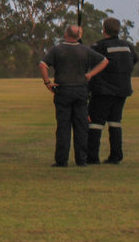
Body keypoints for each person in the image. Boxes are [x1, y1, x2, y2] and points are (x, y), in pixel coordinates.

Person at [38, 24, 108, 167]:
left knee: (63, 126)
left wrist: (47, 83)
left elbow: (43, 65)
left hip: (62, 90)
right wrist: (90, 74)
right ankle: (81, 160)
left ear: (65, 35)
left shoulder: (57, 49)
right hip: (81, 91)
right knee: (81, 126)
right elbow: (104, 61)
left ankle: (61, 160)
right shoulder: (85, 50)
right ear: (79, 36)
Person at [88, 17, 139, 164]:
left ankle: (92, 157)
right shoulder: (127, 45)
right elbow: (134, 59)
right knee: (115, 122)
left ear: (104, 30)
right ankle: (116, 156)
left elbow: (89, 61)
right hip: (122, 89)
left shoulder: (99, 46)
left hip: (103, 90)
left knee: (96, 123)